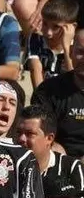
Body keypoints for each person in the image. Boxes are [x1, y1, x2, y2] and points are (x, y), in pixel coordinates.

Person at [16, 106, 84, 198]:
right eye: (19, 132)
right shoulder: (8, 164)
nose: (21, 139)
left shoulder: (70, 167)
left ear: (49, 138)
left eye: (29, 134)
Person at [31, 28, 84, 159]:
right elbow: (39, 133)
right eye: (81, 52)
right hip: (60, 161)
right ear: (71, 52)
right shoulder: (48, 91)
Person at [25, 0, 79, 88]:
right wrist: (42, 100)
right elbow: (35, 70)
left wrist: (66, 49)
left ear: (72, 27)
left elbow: (75, 83)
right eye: (45, 24)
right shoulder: (36, 40)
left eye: (56, 27)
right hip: (44, 96)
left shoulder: (78, 46)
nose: (48, 33)